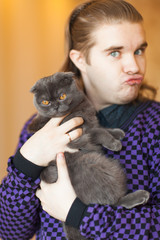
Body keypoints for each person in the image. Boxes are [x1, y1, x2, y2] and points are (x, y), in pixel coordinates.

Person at [0, 0, 160, 239]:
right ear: (80, 59)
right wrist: (27, 161)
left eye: (139, 50)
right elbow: (11, 231)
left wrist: (79, 215)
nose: (134, 66)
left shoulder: (155, 125)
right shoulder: (41, 130)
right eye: (115, 53)